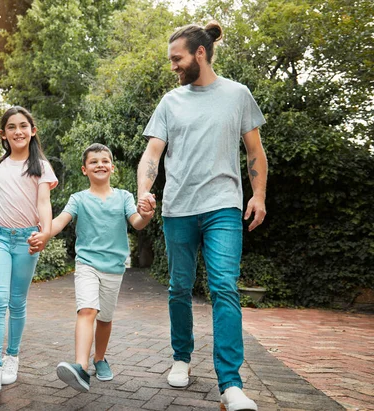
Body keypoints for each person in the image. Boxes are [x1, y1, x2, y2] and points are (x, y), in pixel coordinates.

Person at [137, 22, 267, 411]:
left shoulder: (237, 95)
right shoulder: (170, 102)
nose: (173, 66)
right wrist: (144, 189)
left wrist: (258, 195)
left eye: (177, 59)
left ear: (199, 53)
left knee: (224, 287)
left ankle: (230, 384)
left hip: (223, 206)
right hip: (178, 209)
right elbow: (152, 154)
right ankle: (181, 358)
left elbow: (255, 152)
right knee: (179, 288)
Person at [28, 143, 154, 392]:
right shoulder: (78, 199)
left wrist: (148, 214)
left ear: (112, 167)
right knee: (87, 310)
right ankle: (80, 367)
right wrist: (43, 234)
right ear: (85, 169)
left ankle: (99, 359)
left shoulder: (124, 197)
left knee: (105, 319)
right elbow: (60, 222)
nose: (100, 164)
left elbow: (137, 223)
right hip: (87, 265)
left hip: (114, 268)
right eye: (94, 162)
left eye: (104, 160)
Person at [0, 106, 58, 393]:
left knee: (16, 301)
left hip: (28, 240)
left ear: (32, 131)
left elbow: (43, 205)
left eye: (23, 126)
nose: (18, 131)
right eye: (11, 127)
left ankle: (12, 356)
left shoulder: (41, 167)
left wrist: (45, 233)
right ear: (3, 134)